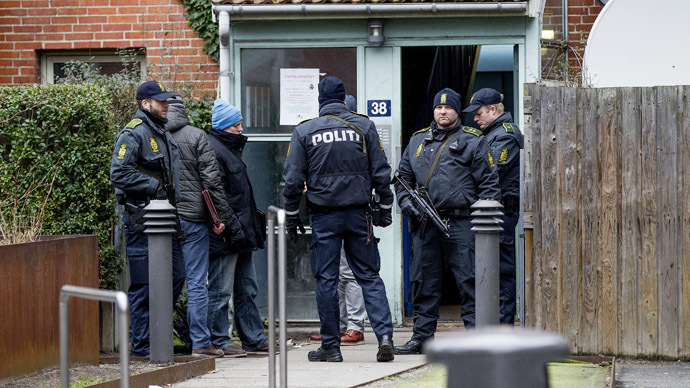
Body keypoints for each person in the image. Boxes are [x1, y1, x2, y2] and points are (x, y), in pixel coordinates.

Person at [283, 76, 395, 363]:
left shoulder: (304, 131)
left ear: (320, 100)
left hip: (325, 217)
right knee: (369, 276)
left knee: (326, 280)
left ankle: (331, 347)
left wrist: (292, 213)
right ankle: (384, 338)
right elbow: (381, 171)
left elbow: (293, 180)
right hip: (360, 215)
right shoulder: (365, 126)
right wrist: (385, 206)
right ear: (344, 98)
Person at [393, 87, 500, 355]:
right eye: (439, 108)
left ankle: (477, 337)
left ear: (456, 112)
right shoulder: (417, 141)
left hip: (462, 223)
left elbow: (489, 185)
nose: (443, 111)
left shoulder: (473, 140)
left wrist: (483, 224)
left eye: (449, 108)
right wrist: (408, 206)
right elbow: (402, 179)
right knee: (424, 282)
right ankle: (421, 338)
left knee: (469, 280)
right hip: (426, 225)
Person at [110, 80, 186, 357]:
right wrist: (152, 186)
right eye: (161, 101)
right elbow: (119, 173)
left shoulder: (162, 132)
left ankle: (159, 335)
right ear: (145, 104)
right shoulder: (134, 134)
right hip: (142, 217)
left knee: (176, 276)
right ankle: (143, 345)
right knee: (144, 283)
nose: (167, 105)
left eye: (167, 100)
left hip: (166, 217)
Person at [165, 93, 234, 357]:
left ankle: (152, 338)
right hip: (192, 219)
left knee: (164, 279)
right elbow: (212, 182)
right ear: (184, 110)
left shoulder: (153, 136)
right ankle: (201, 343)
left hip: (160, 220)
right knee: (196, 281)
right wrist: (220, 218)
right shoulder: (196, 136)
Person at [206, 98, 270, 357]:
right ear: (223, 127)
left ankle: (253, 338)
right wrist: (232, 227)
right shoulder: (216, 150)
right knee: (221, 290)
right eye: (236, 126)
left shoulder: (227, 149)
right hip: (228, 234)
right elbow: (217, 194)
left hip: (239, 232)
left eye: (241, 124)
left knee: (247, 287)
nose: (240, 130)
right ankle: (219, 340)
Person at [309, 95, 367, 346]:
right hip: (334, 213)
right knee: (337, 274)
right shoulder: (354, 133)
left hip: (346, 213)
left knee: (349, 273)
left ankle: (353, 325)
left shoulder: (354, 133)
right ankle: (338, 326)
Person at [463, 88, 524, 325]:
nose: (475, 119)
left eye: (479, 114)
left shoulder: (506, 135)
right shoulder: (491, 134)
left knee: (502, 270)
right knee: (489, 269)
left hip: (501, 213)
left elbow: (491, 172)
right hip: (490, 213)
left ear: (493, 110)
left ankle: (503, 325)